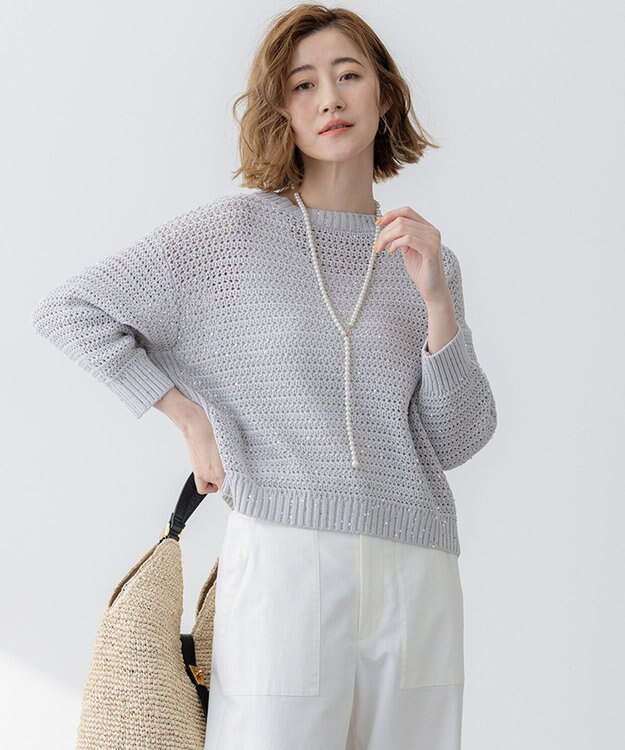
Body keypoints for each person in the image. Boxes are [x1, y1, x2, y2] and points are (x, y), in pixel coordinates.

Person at [31, 4, 498, 749]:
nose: (330, 99)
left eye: (349, 76)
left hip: (416, 564)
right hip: (287, 559)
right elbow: (73, 311)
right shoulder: (232, 237)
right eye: (304, 84)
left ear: (383, 92)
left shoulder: (424, 260)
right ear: (282, 109)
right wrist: (189, 418)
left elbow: (456, 439)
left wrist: (437, 299)